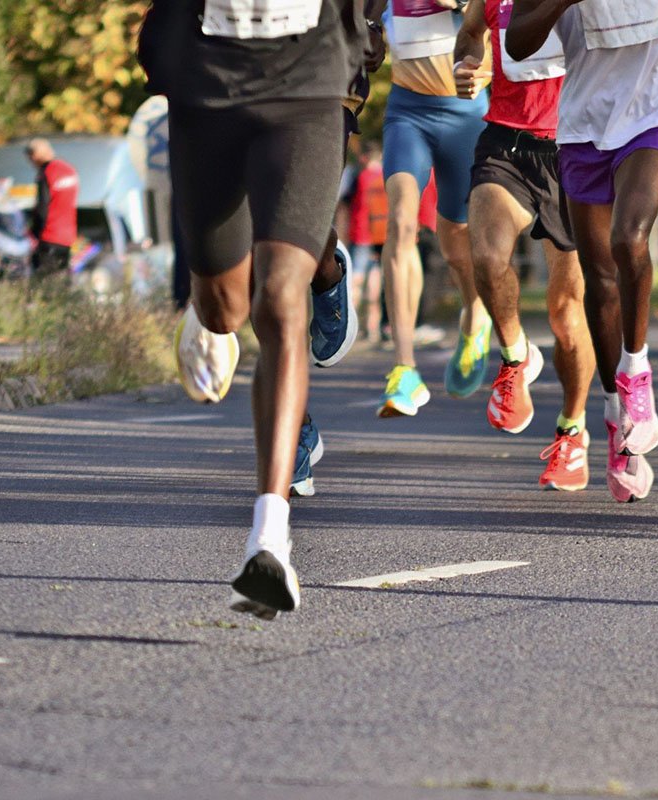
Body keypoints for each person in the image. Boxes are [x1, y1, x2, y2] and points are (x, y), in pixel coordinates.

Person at [138, 0, 366, 619]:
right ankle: (206, 312)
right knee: (224, 308)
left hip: (309, 81)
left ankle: (270, 540)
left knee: (280, 298)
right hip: (208, 84)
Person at [506, 0, 658, 502]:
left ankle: (636, 374)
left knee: (629, 238)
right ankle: (614, 416)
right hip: (586, 120)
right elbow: (517, 43)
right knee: (598, 275)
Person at [453, 0, 596, 491]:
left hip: (576, 147)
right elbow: (472, 30)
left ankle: (572, 431)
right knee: (488, 258)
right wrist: (465, 64)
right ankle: (515, 354)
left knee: (567, 313)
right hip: (506, 144)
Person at [377, 0, 494, 418]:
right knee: (400, 222)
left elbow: (501, 25)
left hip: (466, 115)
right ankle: (404, 368)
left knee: (457, 245)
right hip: (407, 113)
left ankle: (474, 314)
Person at [345, 140, 388, 341]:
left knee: (356, 282)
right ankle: (372, 329)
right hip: (382, 235)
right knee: (375, 282)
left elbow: (345, 207)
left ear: (364, 157)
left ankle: (349, 330)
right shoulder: (388, 176)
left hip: (361, 235)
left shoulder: (358, 176)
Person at [25, 139, 78, 280]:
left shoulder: (46, 173)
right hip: (67, 236)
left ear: (34, 156)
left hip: (49, 236)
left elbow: (42, 207)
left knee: (43, 284)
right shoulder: (69, 170)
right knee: (62, 282)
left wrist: (34, 234)